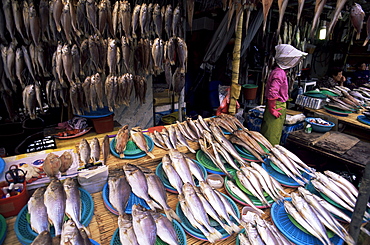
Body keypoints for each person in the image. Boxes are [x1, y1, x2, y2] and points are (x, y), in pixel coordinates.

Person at [261, 44, 307, 146]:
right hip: (276, 105)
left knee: (273, 133)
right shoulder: (279, 73)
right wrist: (272, 109)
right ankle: (268, 156)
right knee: (271, 137)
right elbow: (273, 92)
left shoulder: (279, 72)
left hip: (277, 105)